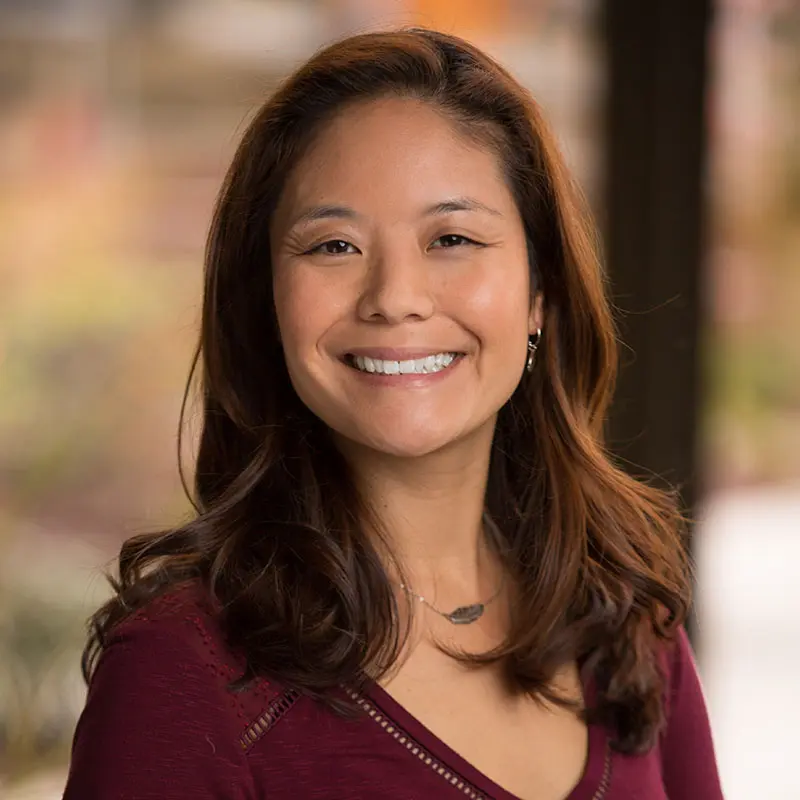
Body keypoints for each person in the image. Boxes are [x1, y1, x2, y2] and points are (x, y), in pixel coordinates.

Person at [63, 27, 724, 800]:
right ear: (267, 300)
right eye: (334, 246)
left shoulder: (628, 630)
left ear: (539, 293)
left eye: (451, 237)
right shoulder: (182, 674)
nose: (395, 299)